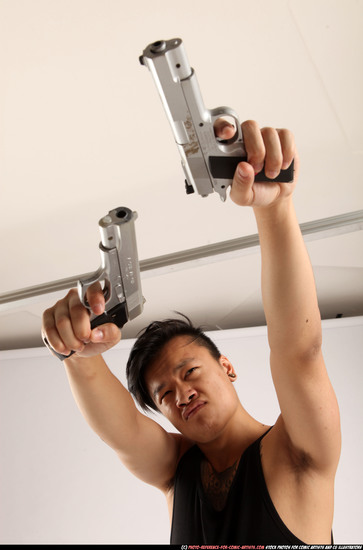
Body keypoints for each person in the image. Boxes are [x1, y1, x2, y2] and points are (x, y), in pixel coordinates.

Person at [42, 120, 341, 545]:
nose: (180, 394)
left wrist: (274, 209)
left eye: (190, 372)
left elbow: (299, 351)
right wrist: (77, 354)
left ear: (227, 366)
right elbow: (122, 432)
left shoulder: (296, 454)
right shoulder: (173, 471)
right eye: (163, 394)